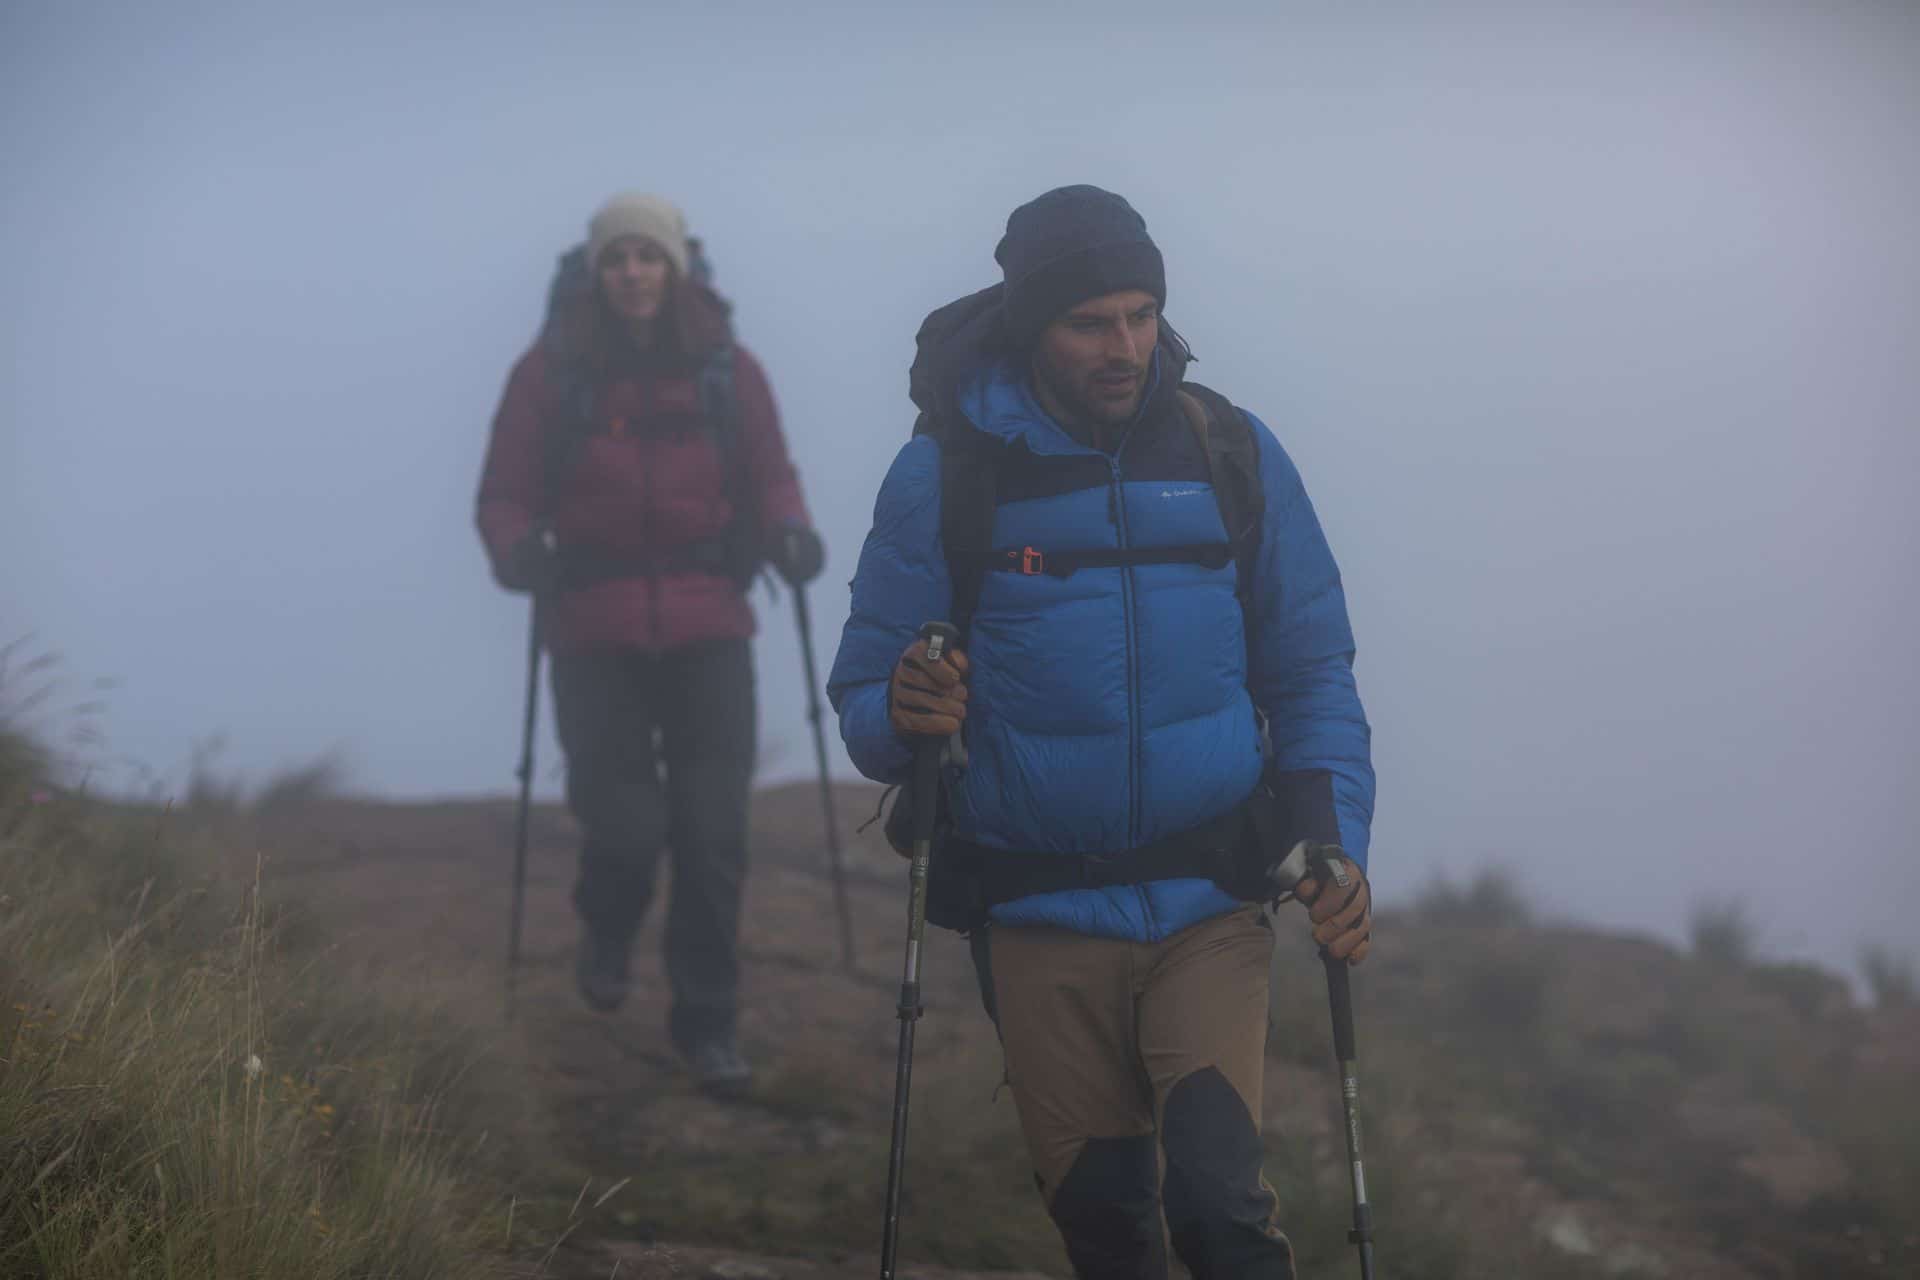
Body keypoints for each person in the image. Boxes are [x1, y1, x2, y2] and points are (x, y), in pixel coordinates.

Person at [828, 185, 1375, 1277]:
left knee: (1224, 1212)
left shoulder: (1231, 452)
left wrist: (1331, 832)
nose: (1122, 344)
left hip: (1209, 898)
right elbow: (865, 703)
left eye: (1138, 313)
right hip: (1034, 908)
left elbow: (1311, 665)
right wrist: (902, 706)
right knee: (1107, 1227)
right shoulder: (947, 473)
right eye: (1090, 321)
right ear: (1034, 324)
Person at [476, 192, 823, 1097]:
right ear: (597, 272)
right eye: (617, 258)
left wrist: (791, 531)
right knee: (625, 828)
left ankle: (708, 1025)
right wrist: (517, 550)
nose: (633, 272)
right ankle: (608, 925)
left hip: (711, 627)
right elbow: (503, 492)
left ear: (674, 268)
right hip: (593, 632)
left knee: (714, 841)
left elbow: (771, 475)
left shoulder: (727, 369)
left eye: (648, 256)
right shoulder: (548, 373)